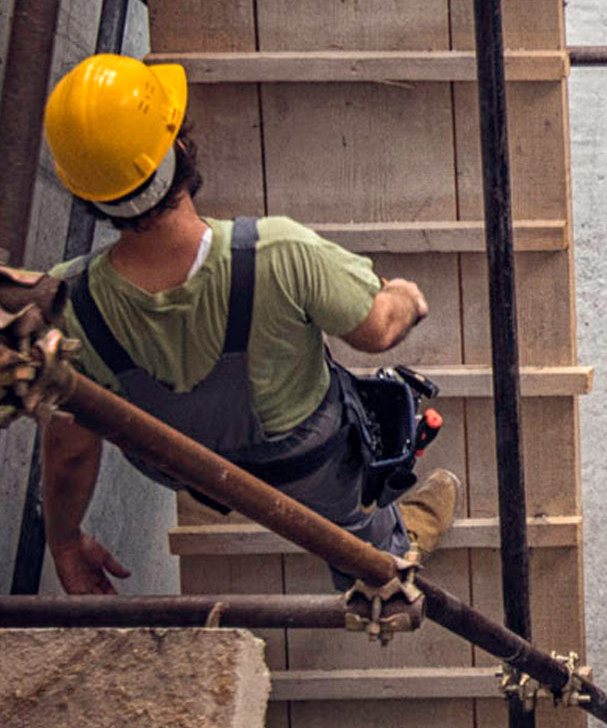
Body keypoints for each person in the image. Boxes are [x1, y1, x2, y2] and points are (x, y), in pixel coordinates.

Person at [36, 55, 457, 597]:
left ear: (87, 194)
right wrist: (405, 298)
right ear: (181, 150)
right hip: (310, 469)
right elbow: (375, 332)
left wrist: (66, 545)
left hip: (195, 474)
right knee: (356, 524)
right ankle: (391, 555)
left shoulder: (67, 305)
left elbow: (70, 449)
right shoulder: (280, 254)